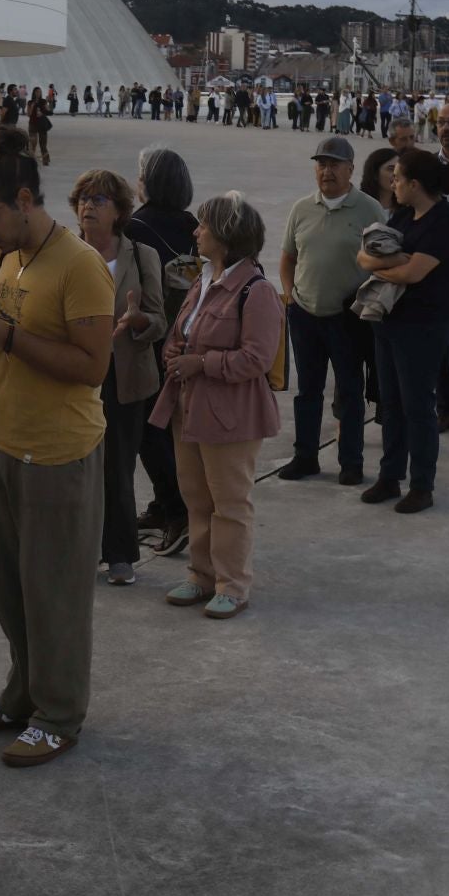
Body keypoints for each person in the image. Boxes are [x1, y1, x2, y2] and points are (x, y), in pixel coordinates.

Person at [0, 128, 112, 768]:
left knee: (54, 595)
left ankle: (59, 713)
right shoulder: (7, 259)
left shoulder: (81, 265)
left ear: (24, 198)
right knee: (9, 589)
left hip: (57, 454)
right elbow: (11, 335)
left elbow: (92, 366)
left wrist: (5, 337)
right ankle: (22, 691)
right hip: (1, 442)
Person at [152, 192, 281, 619]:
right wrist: (174, 353)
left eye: (203, 225)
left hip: (230, 415)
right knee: (196, 498)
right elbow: (180, 331)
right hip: (188, 408)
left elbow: (257, 358)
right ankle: (201, 575)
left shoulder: (256, 290)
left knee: (230, 501)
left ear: (225, 235)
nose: (195, 231)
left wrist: (200, 363)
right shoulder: (203, 280)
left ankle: (232, 584)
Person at [70, 168, 167, 586]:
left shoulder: (142, 256)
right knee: (74, 469)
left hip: (124, 377)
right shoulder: (66, 255)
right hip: (75, 376)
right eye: (83, 200)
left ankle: (121, 554)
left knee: (118, 469)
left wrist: (140, 319)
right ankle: (79, 552)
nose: (88, 206)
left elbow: (161, 320)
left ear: (120, 211)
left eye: (99, 200)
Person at [357, 151, 449, 513]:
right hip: (390, 320)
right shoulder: (403, 214)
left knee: (417, 405)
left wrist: (390, 266)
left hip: (424, 325)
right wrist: (395, 263)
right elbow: (363, 257)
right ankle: (389, 476)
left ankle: (421, 485)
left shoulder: (445, 222)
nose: (393, 183)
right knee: (391, 404)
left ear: (415, 185)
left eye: (399, 178)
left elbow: (413, 274)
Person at [277, 136, 385, 486]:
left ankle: (350, 462)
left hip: (348, 318)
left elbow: (385, 262)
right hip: (305, 313)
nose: (327, 171)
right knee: (307, 390)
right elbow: (288, 256)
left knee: (351, 391)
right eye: (321, 164)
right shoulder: (302, 208)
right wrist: (290, 295)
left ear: (351, 169)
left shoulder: (369, 209)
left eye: (335, 164)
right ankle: (305, 456)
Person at [123, 146, 198, 557]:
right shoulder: (193, 225)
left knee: (148, 430)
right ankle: (162, 501)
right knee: (171, 428)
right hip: (186, 338)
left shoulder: (134, 227)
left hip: (147, 337)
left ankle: (175, 509)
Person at [361, 146, 399, 212]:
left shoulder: (408, 208)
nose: (397, 174)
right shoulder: (359, 205)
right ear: (375, 173)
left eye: (400, 169)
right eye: (391, 169)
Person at [26, 86, 53, 165]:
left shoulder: (43, 101)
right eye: (37, 92)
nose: (38, 93)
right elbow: (28, 114)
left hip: (42, 124)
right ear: (34, 93)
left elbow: (50, 112)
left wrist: (50, 103)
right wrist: (32, 106)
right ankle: (31, 159)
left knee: (43, 143)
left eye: (40, 92)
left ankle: (45, 160)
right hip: (33, 124)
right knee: (32, 143)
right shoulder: (30, 102)